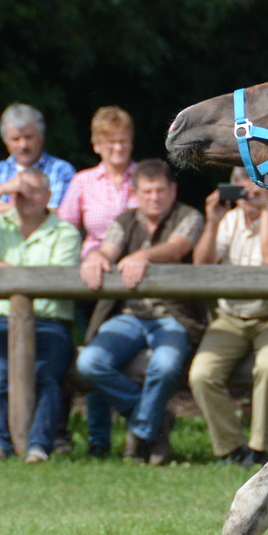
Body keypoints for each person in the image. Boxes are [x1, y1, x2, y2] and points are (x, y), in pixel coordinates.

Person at [0, 168, 82, 463]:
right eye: (20, 192)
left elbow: (57, 280)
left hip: (50, 321)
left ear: (48, 197)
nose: (26, 198)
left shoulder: (65, 232)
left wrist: (9, 274)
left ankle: (38, 445)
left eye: (34, 191)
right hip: (0, 320)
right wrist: (3, 188)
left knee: (46, 376)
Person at [75, 159, 204, 464]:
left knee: (166, 364)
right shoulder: (124, 221)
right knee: (90, 362)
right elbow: (108, 249)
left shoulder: (189, 216)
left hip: (172, 317)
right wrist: (95, 259)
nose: (154, 197)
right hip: (130, 317)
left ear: (172, 190)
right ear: (135, 194)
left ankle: (142, 431)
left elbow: (178, 247)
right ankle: (155, 422)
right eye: (147, 192)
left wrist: (142, 256)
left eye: (160, 190)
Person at [58, 106, 140, 455]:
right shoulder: (82, 182)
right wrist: (85, 259)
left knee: (130, 361)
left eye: (123, 141)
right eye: (110, 143)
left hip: (137, 281)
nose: (118, 149)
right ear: (97, 145)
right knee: (95, 355)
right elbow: (64, 229)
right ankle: (99, 439)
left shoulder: (146, 179)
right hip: (95, 281)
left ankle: (139, 436)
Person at [189, 167, 268, 468]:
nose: (245, 193)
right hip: (229, 316)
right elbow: (201, 265)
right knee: (201, 374)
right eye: (238, 187)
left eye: (252, 186)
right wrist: (213, 220)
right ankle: (230, 448)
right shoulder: (227, 221)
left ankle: (258, 448)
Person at [0, 103, 75, 210]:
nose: (23, 145)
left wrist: (3, 209)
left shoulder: (61, 171)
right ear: (5, 142)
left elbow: (61, 215)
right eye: (16, 139)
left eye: (29, 137)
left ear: (41, 137)